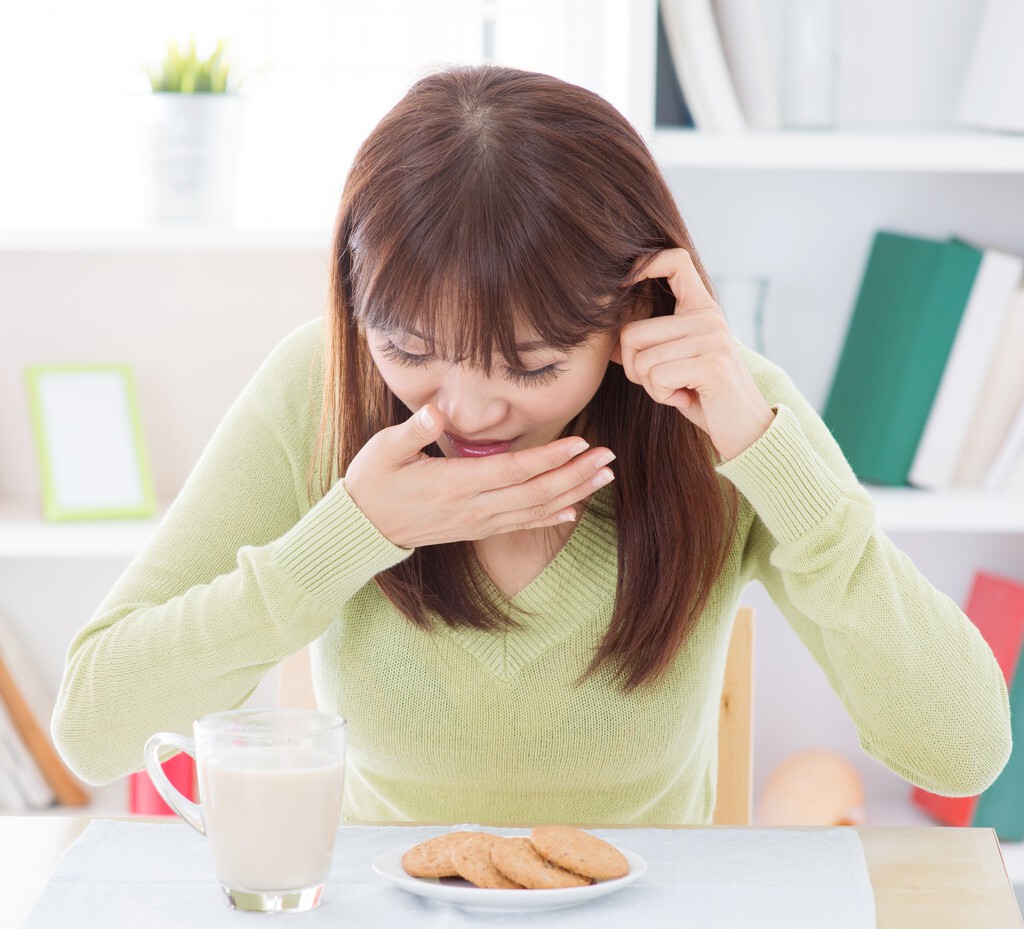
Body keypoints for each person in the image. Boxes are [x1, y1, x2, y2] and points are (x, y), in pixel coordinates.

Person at [52, 64, 1010, 825]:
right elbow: (95, 729)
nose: (467, 410)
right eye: (411, 351)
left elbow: (964, 749)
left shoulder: (723, 412)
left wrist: (763, 447)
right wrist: (346, 535)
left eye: (532, 364)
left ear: (634, 309)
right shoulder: (318, 386)